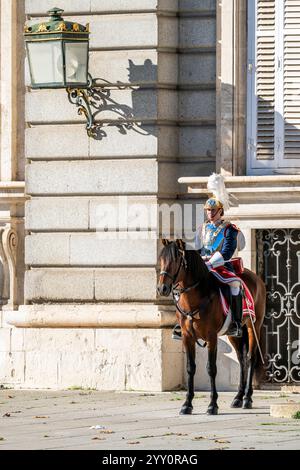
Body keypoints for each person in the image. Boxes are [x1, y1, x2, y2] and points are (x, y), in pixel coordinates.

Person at [172, 174, 245, 340]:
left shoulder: (230, 229)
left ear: (220, 211)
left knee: (234, 285)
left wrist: (211, 264)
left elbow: (227, 251)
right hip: (203, 266)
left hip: (221, 266)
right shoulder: (202, 228)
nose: (210, 213)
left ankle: (236, 323)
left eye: (212, 210)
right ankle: (180, 322)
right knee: (179, 286)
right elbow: (197, 249)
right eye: (208, 210)